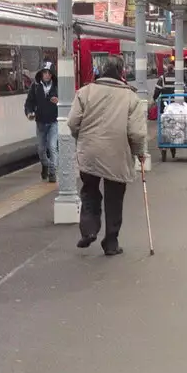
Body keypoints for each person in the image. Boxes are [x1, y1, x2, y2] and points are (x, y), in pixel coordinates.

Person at [68, 54, 148, 257]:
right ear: (122, 73)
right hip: (117, 154)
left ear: (102, 71)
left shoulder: (84, 92)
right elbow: (136, 132)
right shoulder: (131, 97)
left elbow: (72, 122)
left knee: (89, 190)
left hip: (90, 153)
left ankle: (89, 229)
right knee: (114, 198)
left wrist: (83, 138)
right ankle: (111, 242)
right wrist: (140, 152)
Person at [24, 61, 59, 181]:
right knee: (40, 149)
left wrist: (58, 102)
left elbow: (67, 102)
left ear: (52, 74)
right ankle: (47, 165)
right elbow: (29, 103)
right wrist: (29, 112)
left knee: (53, 147)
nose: (47, 75)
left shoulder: (58, 86)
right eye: (45, 73)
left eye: (49, 73)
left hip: (54, 122)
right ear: (41, 74)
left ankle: (53, 173)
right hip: (40, 123)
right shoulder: (35, 86)